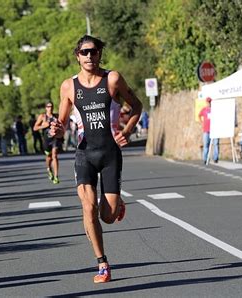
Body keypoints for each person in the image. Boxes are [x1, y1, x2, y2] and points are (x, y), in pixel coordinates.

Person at [50, 35, 142, 283]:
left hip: (110, 153)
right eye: (84, 52)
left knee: (107, 217)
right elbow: (61, 122)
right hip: (84, 153)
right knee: (88, 207)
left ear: (100, 53)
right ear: (77, 55)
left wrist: (127, 132)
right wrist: (57, 131)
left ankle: (116, 204)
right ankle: (102, 264)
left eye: (93, 52)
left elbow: (137, 106)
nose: (89, 56)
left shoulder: (112, 79)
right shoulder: (68, 87)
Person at [33, 102, 63, 184]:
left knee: (55, 155)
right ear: (46, 108)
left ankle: (56, 176)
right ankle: (49, 168)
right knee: (49, 157)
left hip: (55, 139)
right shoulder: (42, 117)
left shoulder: (56, 116)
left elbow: (62, 125)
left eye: (52, 106)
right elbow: (35, 128)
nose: (50, 108)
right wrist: (44, 125)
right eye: (48, 106)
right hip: (46, 140)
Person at [198, 97, 219, 164]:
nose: (209, 103)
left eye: (210, 102)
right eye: (208, 102)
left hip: (214, 129)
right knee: (206, 144)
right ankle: (205, 158)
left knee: (215, 144)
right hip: (206, 130)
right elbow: (199, 115)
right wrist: (201, 122)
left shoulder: (215, 109)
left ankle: (215, 158)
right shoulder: (204, 109)